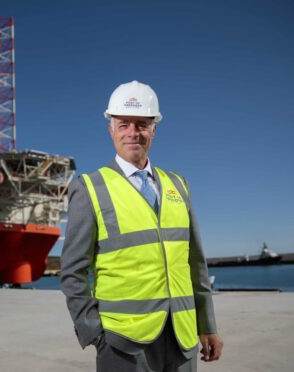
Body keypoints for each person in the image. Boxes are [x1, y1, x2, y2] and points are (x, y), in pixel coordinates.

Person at [61, 81, 223, 372]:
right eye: (124, 124)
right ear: (111, 129)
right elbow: (72, 272)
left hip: (182, 340)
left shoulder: (178, 185)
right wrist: (96, 335)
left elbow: (194, 262)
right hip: (122, 345)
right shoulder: (89, 188)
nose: (133, 133)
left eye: (142, 124)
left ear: (154, 129)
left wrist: (206, 325)